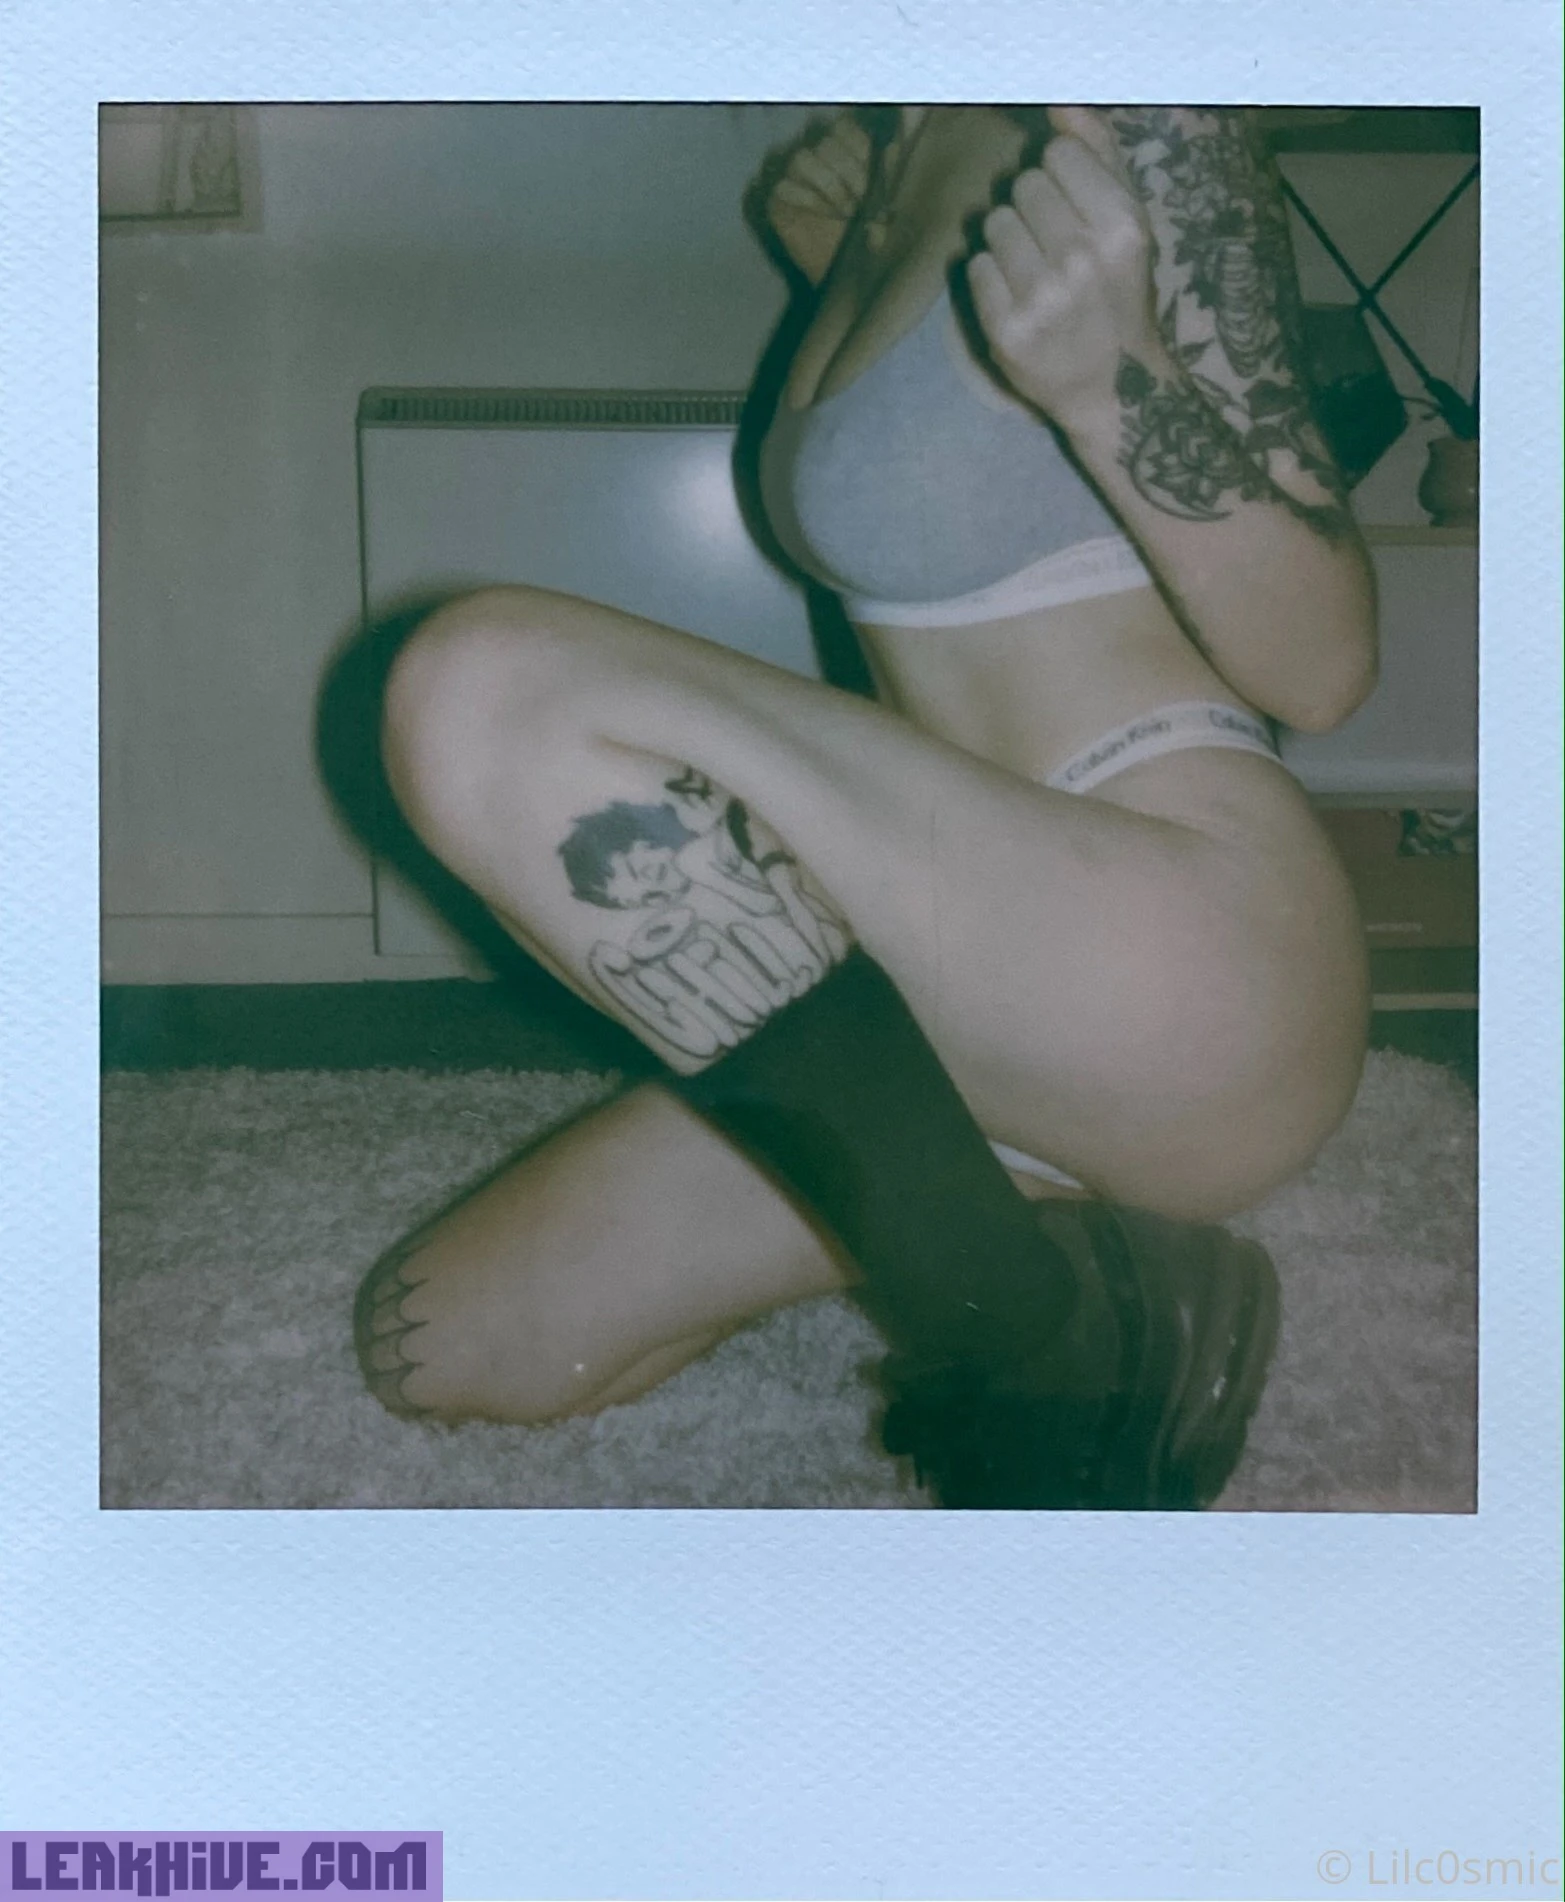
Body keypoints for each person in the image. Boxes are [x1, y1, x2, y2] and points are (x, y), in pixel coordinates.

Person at [354, 105, 1377, 1509]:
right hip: (960, 1010)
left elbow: (1326, 663)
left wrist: (1112, 378)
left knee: (480, 695)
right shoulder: (889, 152)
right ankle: (1050, 1241)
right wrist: (832, 259)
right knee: (431, 1342)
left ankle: (1017, 1326)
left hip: (1174, 959)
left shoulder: (1144, 114)